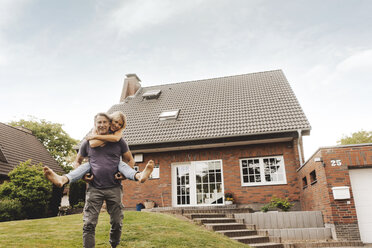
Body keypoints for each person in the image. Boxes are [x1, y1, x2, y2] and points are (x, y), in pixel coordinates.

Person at [71, 112, 153, 248]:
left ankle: (114, 245)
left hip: (114, 188)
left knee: (116, 222)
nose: (102, 125)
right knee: (89, 224)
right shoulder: (88, 143)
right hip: (94, 189)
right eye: (99, 122)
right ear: (95, 124)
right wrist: (83, 176)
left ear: (109, 124)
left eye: (105, 122)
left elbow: (130, 160)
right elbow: (77, 162)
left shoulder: (119, 141)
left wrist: (124, 175)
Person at [44, 111, 153, 187]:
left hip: (115, 169)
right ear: (109, 121)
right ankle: (63, 179)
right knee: (86, 165)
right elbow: (92, 144)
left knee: (121, 164)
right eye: (115, 122)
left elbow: (115, 141)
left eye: (120, 124)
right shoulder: (94, 132)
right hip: (94, 174)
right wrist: (83, 176)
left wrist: (124, 176)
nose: (116, 125)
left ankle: (139, 175)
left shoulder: (117, 136)